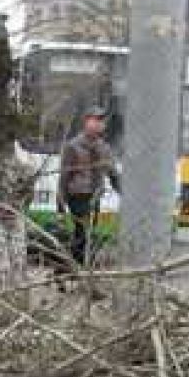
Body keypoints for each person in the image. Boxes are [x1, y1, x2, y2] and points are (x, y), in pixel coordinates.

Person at [57, 107, 121, 276]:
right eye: (95, 120)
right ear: (86, 122)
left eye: (101, 121)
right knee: (83, 235)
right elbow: (64, 175)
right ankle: (71, 273)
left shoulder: (103, 148)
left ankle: (68, 272)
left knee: (87, 237)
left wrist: (122, 191)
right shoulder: (73, 146)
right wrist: (60, 203)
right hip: (77, 196)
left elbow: (112, 172)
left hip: (94, 196)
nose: (99, 124)